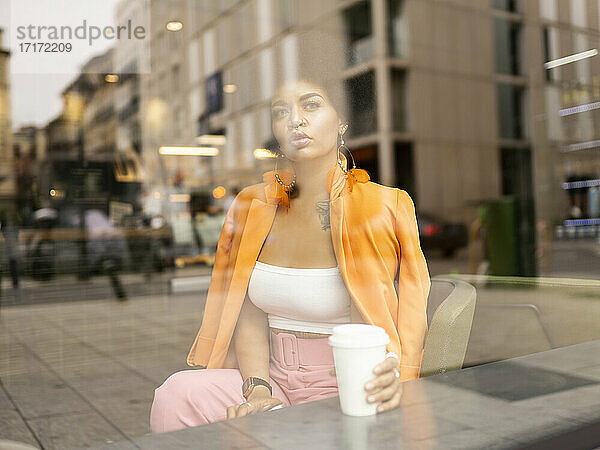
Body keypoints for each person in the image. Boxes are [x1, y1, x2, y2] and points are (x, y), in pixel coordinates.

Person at [150, 77, 430, 433]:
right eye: (281, 112)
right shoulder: (252, 205)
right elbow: (248, 313)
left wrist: (396, 374)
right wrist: (258, 391)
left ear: (341, 121)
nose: (295, 119)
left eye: (311, 105)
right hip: (271, 378)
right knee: (176, 394)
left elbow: (410, 308)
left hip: (348, 383)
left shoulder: (385, 204)